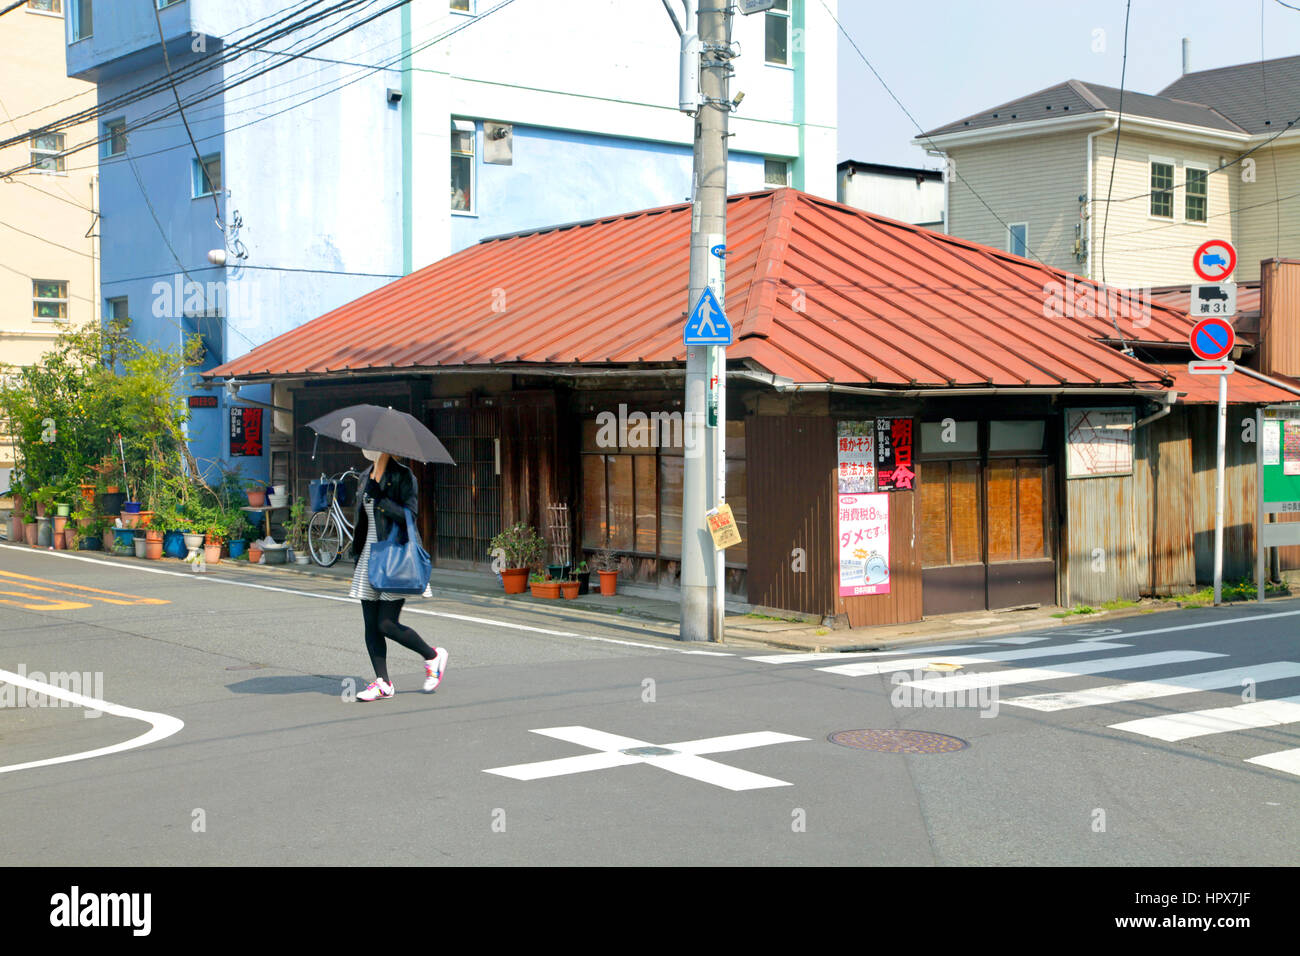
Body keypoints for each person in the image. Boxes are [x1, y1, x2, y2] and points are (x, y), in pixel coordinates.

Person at [349, 448, 446, 701]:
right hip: (368, 558)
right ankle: (383, 682)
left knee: (386, 624)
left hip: (393, 558)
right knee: (371, 625)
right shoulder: (364, 476)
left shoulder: (404, 476)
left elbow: (409, 517)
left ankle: (433, 656)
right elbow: (361, 521)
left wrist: (380, 498)